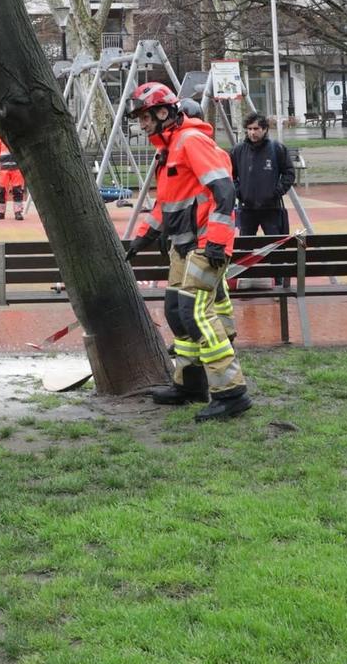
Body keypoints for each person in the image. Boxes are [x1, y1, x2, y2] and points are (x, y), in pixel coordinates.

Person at [123, 82, 251, 421]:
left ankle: (231, 392)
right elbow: (167, 204)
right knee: (176, 312)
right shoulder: (169, 150)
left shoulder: (191, 141)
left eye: (144, 116)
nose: (142, 123)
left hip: (204, 245)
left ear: (163, 112)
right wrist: (143, 237)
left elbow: (225, 193)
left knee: (196, 313)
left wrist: (217, 243)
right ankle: (191, 384)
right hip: (183, 245)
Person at [229, 112, 295, 238]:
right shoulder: (238, 150)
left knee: (275, 248)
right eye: (249, 129)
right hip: (247, 208)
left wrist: (276, 192)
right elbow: (229, 174)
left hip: (271, 208)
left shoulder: (276, 148)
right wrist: (239, 191)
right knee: (246, 248)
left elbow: (289, 173)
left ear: (265, 129)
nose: (252, 132)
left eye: (256, 129)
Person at [0, 134, 26, 221]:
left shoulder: (19, 136)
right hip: (3, 170)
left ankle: (18, 212)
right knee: (2, 191)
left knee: (17, 190)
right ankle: (0, 212)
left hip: (17, 169)